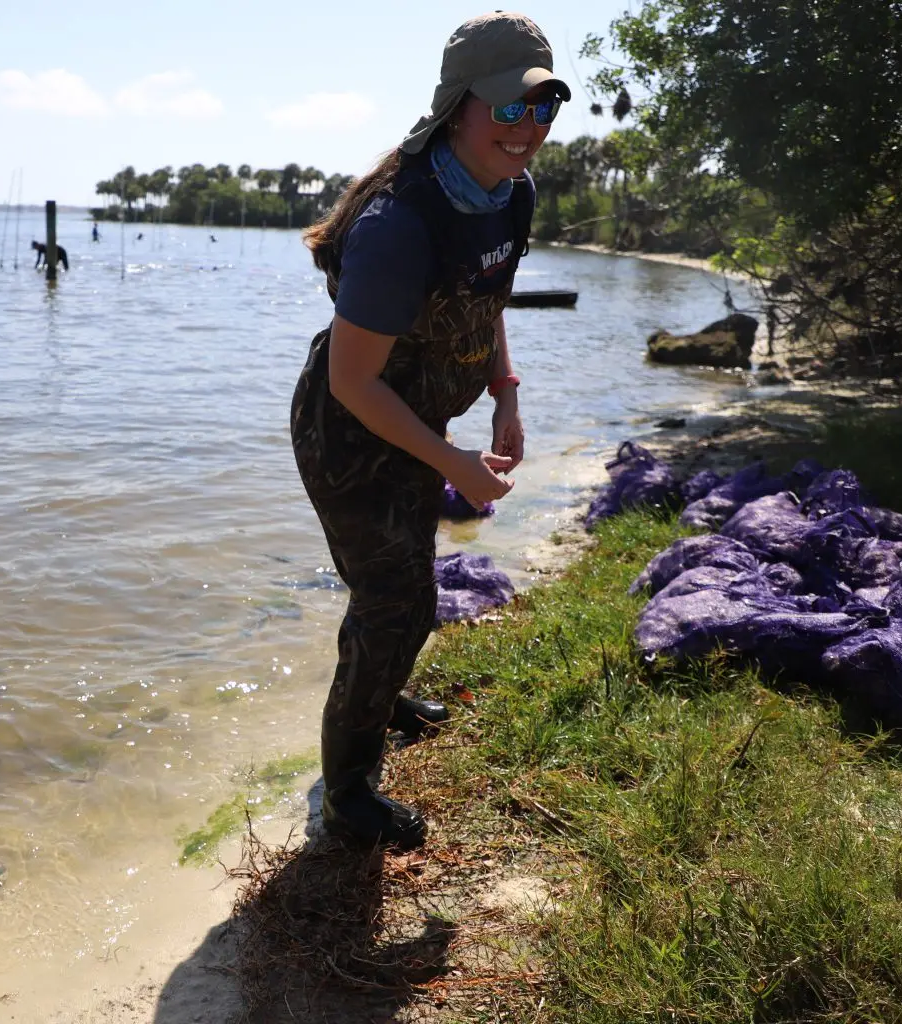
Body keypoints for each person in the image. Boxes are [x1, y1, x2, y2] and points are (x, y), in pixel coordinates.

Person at [290, 11, 567, 850]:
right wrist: (453, 461)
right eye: (508, 109)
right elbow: (351, 380)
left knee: (400, 591)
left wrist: (505, 393)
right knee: (396, 598)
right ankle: (347, 794)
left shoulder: (507, 194)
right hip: (348, 435)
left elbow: (487, 306)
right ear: (457, 107)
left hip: (417, 428)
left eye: (543, 109)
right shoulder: (397, 225)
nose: (528, 131)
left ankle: (383, 697)